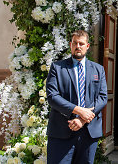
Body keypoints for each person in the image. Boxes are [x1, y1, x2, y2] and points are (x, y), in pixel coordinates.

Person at [46, 30, 108, 164]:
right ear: (70, 45)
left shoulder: (98, 69)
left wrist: (83, 119)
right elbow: (52, 96)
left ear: (87, 46)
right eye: (75, 43)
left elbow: (102, 97)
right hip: (61, 131)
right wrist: (79, 111)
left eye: (81, 43)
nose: (78, 46)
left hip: (88, 133)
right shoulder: (57, 68)